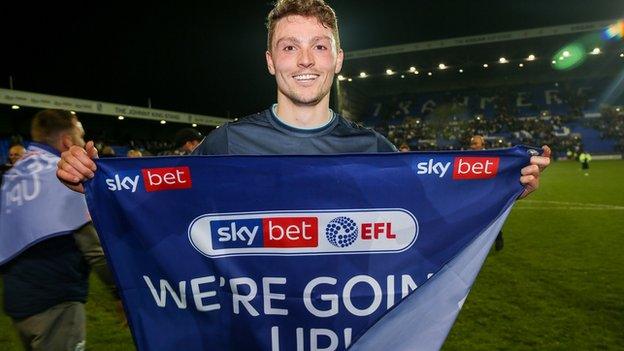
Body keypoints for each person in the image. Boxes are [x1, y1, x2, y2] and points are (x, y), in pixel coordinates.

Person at [56, 0, 550, 200]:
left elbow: (428, 215)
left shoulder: (372, 148)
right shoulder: (228, 142)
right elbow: (160, 203)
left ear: (339, 59)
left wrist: (505, 187)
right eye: (289, 47)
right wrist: (93, 180)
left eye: (319, 47)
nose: (306, 61)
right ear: (270, 61)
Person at [1, 110, 118, 351]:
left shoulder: (15, 174)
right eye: (80, 135)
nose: (82, 141)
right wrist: (121, 293)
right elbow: (94, 248)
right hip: (56, 299)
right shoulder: (61, 174)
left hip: (17, 300)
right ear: (66, 141)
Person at [470, 135, 504, 250]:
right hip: (475, 194)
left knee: (491, 218)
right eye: (472, 144)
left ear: (483, 144)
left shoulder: (491, 156)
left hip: (489, 193)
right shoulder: (468, 158)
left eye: (475, 143)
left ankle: (498, 237)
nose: (473, 146)